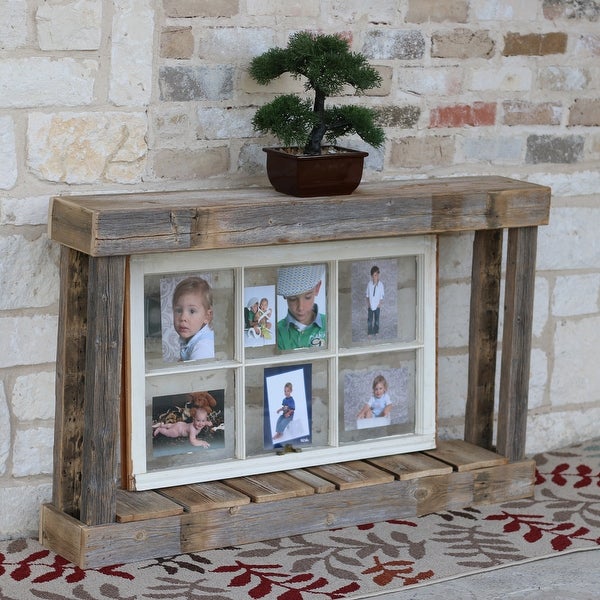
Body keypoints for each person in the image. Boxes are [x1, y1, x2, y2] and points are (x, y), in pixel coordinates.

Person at [276, 264, 326, 350]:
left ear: (317, 288)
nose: (301, 307)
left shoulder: (331, 325)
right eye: (293, 299)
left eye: (308, 297)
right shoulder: (277, 332)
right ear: (285, 295)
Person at [172, 276, 215, 361]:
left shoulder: (202, 348)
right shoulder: (192, 338)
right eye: (179, 310)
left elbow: (195, 374)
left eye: (192, 311)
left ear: (207, 316)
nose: (183, 318)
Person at [365, 265, 384, 336]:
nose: (374, 277)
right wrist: (368, 303)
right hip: (370, 305)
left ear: (378, 275)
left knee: (376, 320)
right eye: (373, 275)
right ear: (371, 276)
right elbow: (367, 295)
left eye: (375, 275)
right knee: (370, 320)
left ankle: (376, 331)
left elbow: (381, 296)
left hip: (377, 306)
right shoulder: (369, 284)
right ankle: (370, 331)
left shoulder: (381, 285)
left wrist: (379, 304)